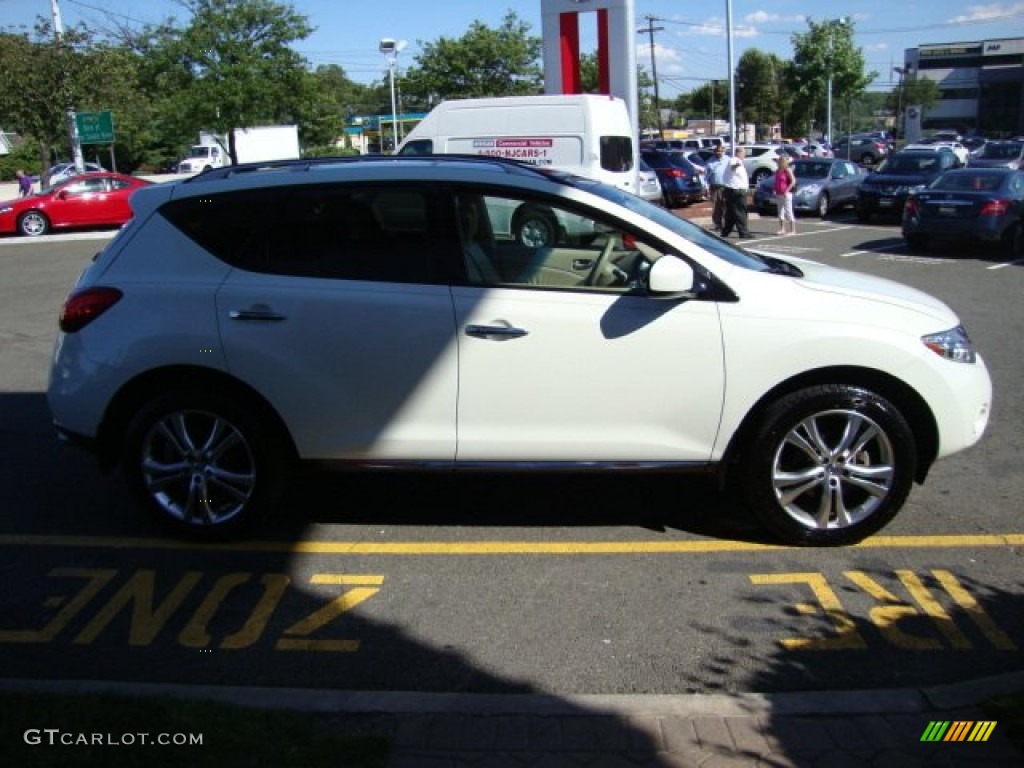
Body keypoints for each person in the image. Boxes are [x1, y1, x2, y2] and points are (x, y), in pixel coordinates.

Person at [720, 147, 754, 239]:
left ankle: (725, 231)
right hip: (736, 190)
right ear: (739, 153)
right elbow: (732, 167)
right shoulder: (734, 160)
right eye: (744, 153)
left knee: (731, 213)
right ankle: (743, 233)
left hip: (733, 190)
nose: (744, 155)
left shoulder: (738, 162)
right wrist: (738, 164)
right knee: (740, 212)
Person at [773, 154, 797, 235]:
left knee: (788, 211)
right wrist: (774, 189)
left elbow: (793, 181)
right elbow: (776, 181)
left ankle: (793, 230)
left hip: (786, 194)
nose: (780, 162)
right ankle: (782, 228)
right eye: (779, 161)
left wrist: (787, 190)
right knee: (780, 212)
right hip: (779, 193)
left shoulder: (787, 170)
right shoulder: (777, 171)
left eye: (782, 161)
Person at [707, 146, 728, 232]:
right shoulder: (710, 161)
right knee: (716, 207)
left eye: (720, 151)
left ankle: (726, 224)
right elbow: (706, 174)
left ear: (724, 151)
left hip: (725, 187)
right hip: (714, 187)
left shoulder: (728, 160)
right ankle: (718, 224)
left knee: (725, 206)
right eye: (717, 151)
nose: (719, 153)